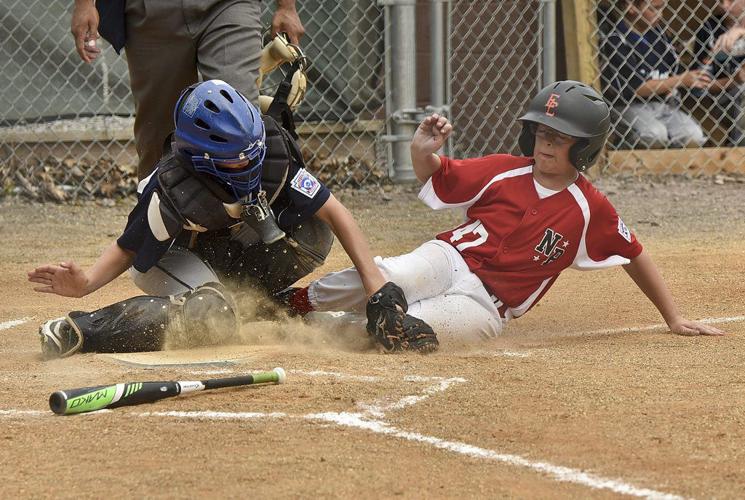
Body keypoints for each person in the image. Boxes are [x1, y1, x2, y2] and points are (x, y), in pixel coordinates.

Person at [276, 80, 724, 347]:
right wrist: (421, 151)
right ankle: (292, 304)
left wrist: (672, 317)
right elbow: (439, 173)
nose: (547, 142)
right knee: (395, 275)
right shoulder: (505, 171)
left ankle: (314, 332)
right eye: (542, 132)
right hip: (448, 258)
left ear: (585, 147)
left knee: (407, 334)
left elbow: (634, 253)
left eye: (561, 136)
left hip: (485, 307)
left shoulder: (591, 209)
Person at [27, 80, 438, 358]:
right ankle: (81, 331)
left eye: (252, 150)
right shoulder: (171, 190)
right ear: (199, 159)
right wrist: (83, 287)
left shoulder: (272, 155)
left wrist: (377, 291)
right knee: (211, 314)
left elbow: (336, 213)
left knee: (311, 233)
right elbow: (127, 249)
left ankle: (260, 304)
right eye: (235, 157)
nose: (250, 162)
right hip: (169, 260)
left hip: (224, 247)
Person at [70, 0, 305, 180]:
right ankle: (164, 231)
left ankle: (250, 225)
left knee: (239, 122)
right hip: (153, 12)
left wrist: (287, 6)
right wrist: (84, 4)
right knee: (160, 139)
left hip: (228, 6)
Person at [599, 0, 708, 149]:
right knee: (654, 134)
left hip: (663, 106)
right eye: (654, 8)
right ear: (630, 6)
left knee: (693, 135)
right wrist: (680, 80)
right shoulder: (617, 39)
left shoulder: (660, 35)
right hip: (627, 107)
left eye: (662, 8)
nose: (660, 14)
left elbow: (673, 71)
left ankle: (674, 170)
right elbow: (637, 89)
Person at [692, 0, 745, 146]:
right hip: (725, 96)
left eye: (731, 0)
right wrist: (733, 80)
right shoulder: (709, 28)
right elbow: (699, 87)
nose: (725, 6)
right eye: (721, 1)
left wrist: (741, 31)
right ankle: (738, 149)